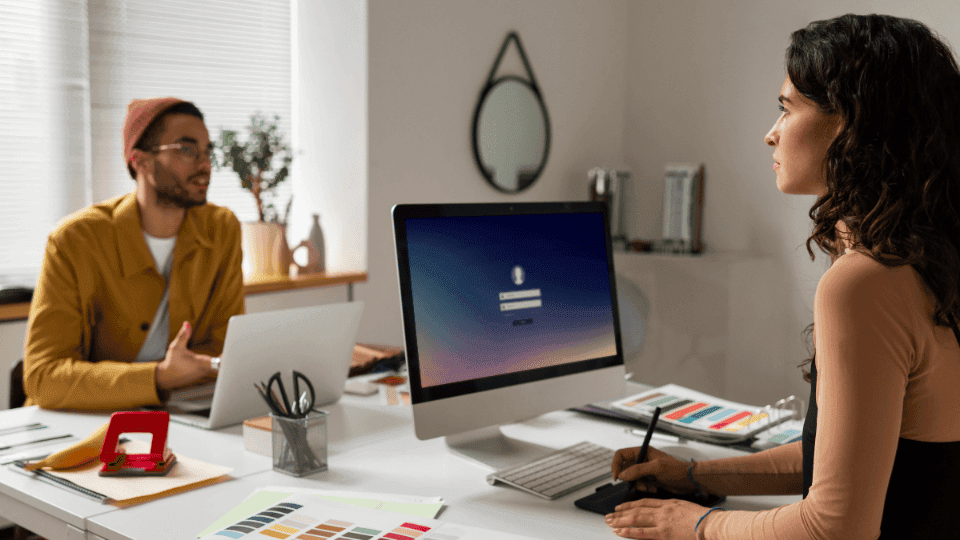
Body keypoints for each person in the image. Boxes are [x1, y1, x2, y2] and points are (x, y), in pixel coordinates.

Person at [606, 14, 960, 540]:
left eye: (786, 109)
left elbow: (836, 526)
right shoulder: (929, 266)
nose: (770, 134)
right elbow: (858, 462)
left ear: (852, 124)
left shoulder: (864, 286)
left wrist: (695, 525)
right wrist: (692, 475)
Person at [22, 97, 245, 410]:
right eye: (187, 149)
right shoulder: (74, 240)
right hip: (84, 423)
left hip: (180, 411)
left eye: (208, 150)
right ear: (140, 161)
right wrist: (159, 377)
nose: (204, 164)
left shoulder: (223, 229)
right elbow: (44, 377)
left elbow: (225, 351)